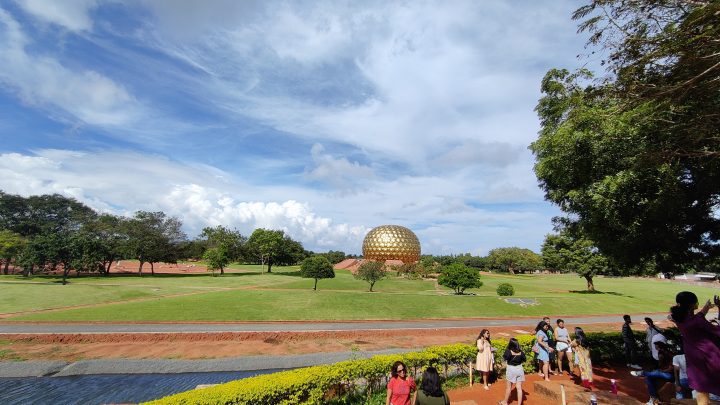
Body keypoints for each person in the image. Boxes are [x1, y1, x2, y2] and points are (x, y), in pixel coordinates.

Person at [670, 292, 720, 405]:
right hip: (709, 357)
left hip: (694, 358)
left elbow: (698, 316)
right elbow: (717, 331)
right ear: (692, 305)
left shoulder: (678, 318)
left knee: (701, 388)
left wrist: (706, 308)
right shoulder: (696, 322)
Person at [499, 337, 526, 405]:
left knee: (509, 387)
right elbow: (524, 359)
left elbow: (505, 358)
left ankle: (505, 402)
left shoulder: (508, 351)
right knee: (519, 388)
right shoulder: (521, 352)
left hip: (511, 369)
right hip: (519, 369)